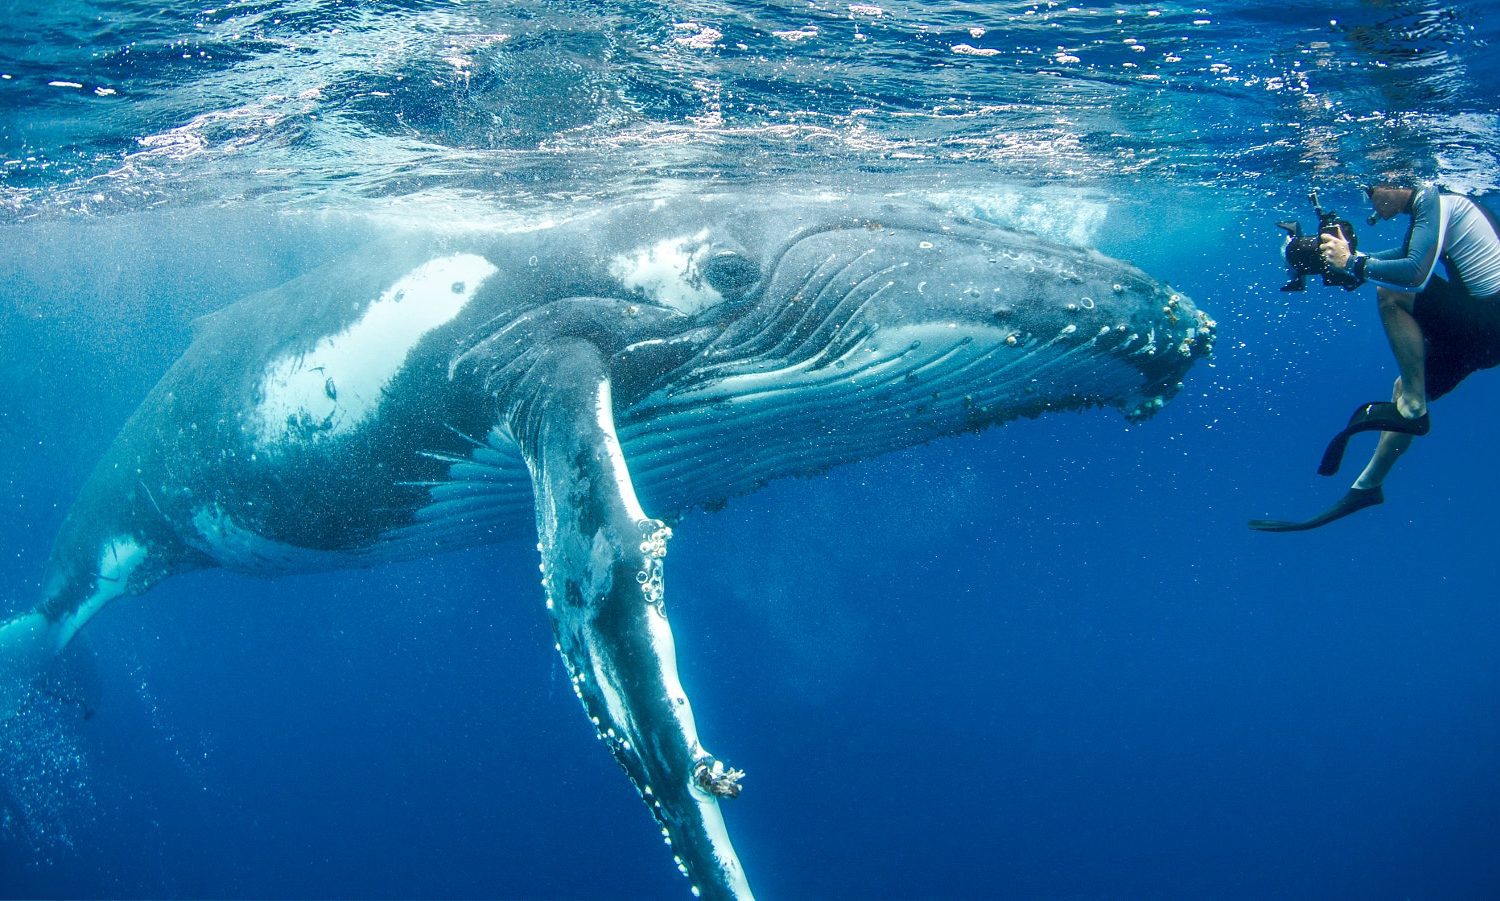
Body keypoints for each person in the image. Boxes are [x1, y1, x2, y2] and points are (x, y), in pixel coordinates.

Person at [1250, 181, 1500, 532]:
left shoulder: (1435, 200)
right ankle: (1367, 487)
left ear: (1396, 182)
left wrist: (1354, 263)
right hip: (1486, 334)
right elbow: (1402, 256)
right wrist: (1347, 266)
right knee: (1405, 388)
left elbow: (1413, 273)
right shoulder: (1432, 206)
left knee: (1391, 293)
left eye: (1371, 192)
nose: (1370, 205)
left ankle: (1413, 407)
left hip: (1490, 322)